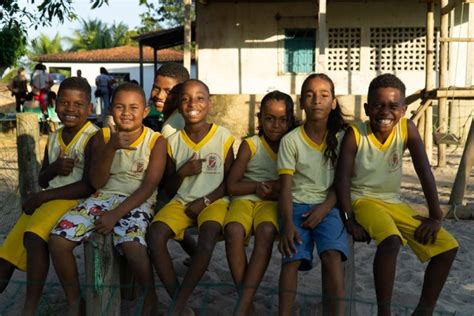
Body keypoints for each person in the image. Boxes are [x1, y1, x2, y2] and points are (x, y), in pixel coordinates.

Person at [335, 73, 459, 316]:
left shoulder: (407, 128)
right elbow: (341, 179)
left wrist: (436, 216)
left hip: (394, 203)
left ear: (403, 110)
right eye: (379, 105)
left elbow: (424, 171)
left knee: (448, 247)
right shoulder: (355, 134)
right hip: (364, 200)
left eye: (393, 106)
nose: (385, 112)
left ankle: (424, 310)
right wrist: (349, 218)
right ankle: (384, 312)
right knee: (391, 242)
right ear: (367, 108)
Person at [48, 83, 166, 315]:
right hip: (102, 196)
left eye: (134, 107)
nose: (126, 112)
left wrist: (115, 215)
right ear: (111, 109)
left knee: (131, 244)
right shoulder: (102, 137)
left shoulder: (156, 141)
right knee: (58, 241)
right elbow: (97, 181)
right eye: (120, 106)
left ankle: (149, 295)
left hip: (137, 199)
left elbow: (149, 186)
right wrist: (111, 146)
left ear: (145, 111)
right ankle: (74, 300)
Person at [0, 77, 98, 315]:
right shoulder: (54, 137)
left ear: (90, 108)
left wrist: (42, 197)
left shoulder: (94, 137)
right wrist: (53, 169)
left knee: (33, 238)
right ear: (55, 103)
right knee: (6, 255)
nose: (70, 109)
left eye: (78, 104)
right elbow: (43, 178)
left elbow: (89, 185)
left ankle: (32, 307)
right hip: (49, 200)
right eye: (64, 102)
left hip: (75, 202)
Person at [147, 79, 235, 315]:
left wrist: (205, 202)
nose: (192, 103)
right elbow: (168, 188)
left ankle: (177, 305)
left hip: (215, 201)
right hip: (181, 202)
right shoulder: (172, 141)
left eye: (199, 98)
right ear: (178, 106)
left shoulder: (224, 136)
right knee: (155, 235)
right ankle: (180, 301)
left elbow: (230, 182)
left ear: (210, 103)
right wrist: (181, 172)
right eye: (185, 99)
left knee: (206, 238)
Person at [278, 73, 349, 316]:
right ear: (301, 102)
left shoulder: (342, 138)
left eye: (324, 95)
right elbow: (286, 187)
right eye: (309, 95)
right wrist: (287, 223)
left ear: (334, 102)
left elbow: (343, 181)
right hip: (296, 206)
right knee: (291, 259)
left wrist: (325, 208)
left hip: (330, 205)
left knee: (331, 257)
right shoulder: (291, 141)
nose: (316, 100)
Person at [224, 90, 296, 315]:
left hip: (272, 204)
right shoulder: (251, 145)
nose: (276, 125)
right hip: (245, 199)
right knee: (233, 231)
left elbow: (294, 184)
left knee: (265, 231)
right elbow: (232, 185)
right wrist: (257, 187)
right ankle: (247, 303)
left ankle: (244, 303)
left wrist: (274, 187)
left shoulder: (294, 145)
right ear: (260, 119)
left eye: (283, 120)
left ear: (291, 120)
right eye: (269, 118)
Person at [145, 62, 189, 135]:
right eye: (156, 88)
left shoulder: (171, 127)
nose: (159, 96)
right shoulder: (175, 118)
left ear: (182, 93)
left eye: (169, 91)